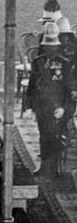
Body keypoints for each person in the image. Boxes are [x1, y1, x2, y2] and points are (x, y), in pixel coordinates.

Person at [26, 21, 77, 180]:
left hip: (59, 107)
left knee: (55, 137)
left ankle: (53, 168)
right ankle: (44, 167)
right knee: (43, 136)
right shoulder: (37, 62)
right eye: (48, 46)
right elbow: (32, 86)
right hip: (42, 106)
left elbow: (69, 90)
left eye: (53, 46)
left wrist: (64, 108)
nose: (50, 49)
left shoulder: (64, 63)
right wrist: (31, 107)